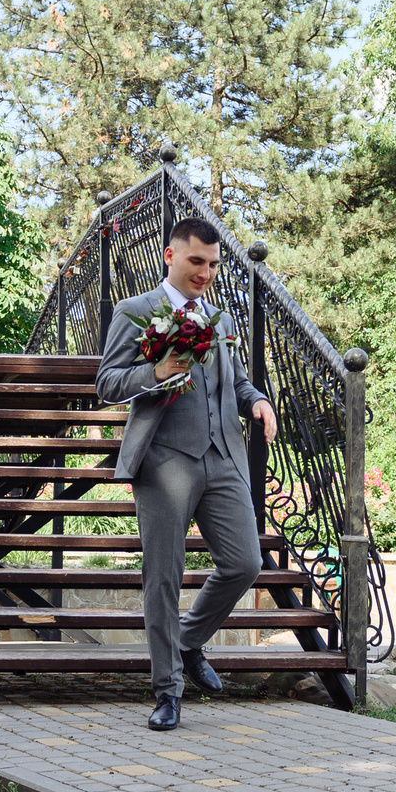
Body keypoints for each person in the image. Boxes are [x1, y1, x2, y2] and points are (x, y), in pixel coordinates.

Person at [95, 217, 280, 732]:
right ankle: (168, 690)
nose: (206, 273)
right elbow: (107, 383)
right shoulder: (135, 313)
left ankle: (188, 641)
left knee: (245, 562)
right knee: (164, 576)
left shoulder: (220, 319)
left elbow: (237, 381)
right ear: (170, 257)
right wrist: (154, 372)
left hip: (224, 456)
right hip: (165, 459)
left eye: (214, 264)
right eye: (196, 261)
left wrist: (258, 401)